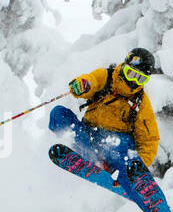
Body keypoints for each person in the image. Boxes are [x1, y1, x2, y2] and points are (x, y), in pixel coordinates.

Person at [49, 47, 162, 180]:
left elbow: (149, 140)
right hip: (88, 136)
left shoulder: (140, 102)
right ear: (123, 67)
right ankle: (76, 154)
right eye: (131, 74)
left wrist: (139, 167)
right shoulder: (107, 77)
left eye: (140, 79)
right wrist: (82, 85)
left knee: (117, 144)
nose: (133, 81)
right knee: (58, 113)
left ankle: (122, 176)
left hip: (115, 147)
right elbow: (92, 80)